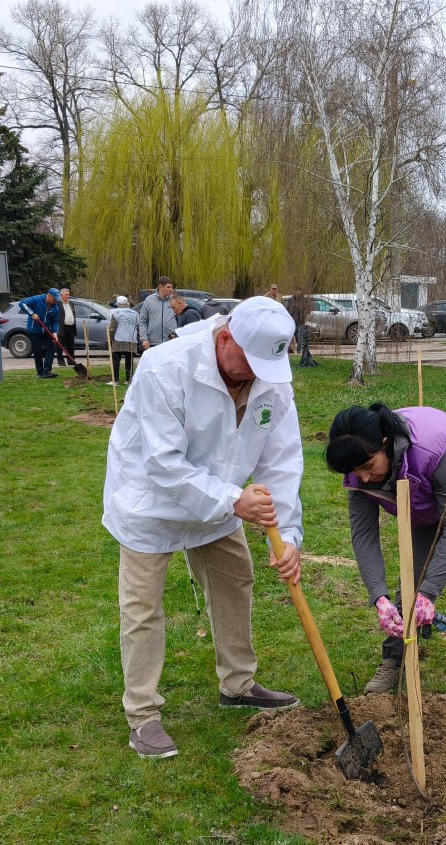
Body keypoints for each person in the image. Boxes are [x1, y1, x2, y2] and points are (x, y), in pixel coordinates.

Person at [102, 297, 304, 759]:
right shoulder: (164, 367)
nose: (251, 375)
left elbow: (282, 464)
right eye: (246, 363)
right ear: (226, 336)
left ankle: (238, 685)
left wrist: (288, 536)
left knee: (236, 580)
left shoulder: (270, 380)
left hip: (220, 505)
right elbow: (163, 464)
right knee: (142, 606)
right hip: (150, 503)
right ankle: (143, 714)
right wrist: (236, 500)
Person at [325, 403, 446, 717]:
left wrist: (429, 593)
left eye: (368, 466)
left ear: (385, 443)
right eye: (356, 472)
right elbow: (364, 537)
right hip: (425, 502)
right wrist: (379, 597)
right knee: (411, 575)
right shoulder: (358, 473)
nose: (364, 478)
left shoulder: (428, 447)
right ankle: (393, 659)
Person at [17, 287, 61, 379]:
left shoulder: (56, 308)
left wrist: (55, 333)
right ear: (49, 296)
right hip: (34, 330)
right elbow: (22, 304)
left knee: (51, 349)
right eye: (54, 299)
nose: (55, 301)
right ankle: (40, 373)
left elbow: (55, 322)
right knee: (37, 351)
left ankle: (47, 371)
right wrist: (32, 313)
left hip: (46, 330)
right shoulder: (37, 299)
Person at [108, 295, 139, 385]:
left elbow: (112, 328)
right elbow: (137, 325)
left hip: (119, 339)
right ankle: (128, 379)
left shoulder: (116, 313)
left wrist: (109, 339)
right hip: (131, 340)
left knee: (116, 360)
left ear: (118, 303)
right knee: (129, 361)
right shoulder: (135, 313)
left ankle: (115, 380)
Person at [138, 277, 176, 349]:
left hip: (171, 342)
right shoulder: (149, 300)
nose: (171, 289)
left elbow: (180, 319)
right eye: (168, 287)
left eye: (172, 287)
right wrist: (144, 339)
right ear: (160, 287)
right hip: (153, 343)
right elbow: (142, 320)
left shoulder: (174, 300)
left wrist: (176, 335)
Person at [289, 289, 318, 367]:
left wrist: (303, 316)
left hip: (301, 322)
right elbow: (288, 310)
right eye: (295, 291)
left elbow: (308, 309)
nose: (296, 292)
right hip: (292, 322)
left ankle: (302, 352)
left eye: (298, 291)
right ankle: (295, 351)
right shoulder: (290, 300)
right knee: (294, 336)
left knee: (300, 336)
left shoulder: (304, 300)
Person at [56, 288, 76, 367]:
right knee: (60, 345)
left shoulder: (71, 303)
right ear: (61, 295)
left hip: (71, 327)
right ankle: (60, 360)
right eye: (66, 295)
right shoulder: (58, 304)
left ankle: (71, 360)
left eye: (68, 294)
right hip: (62, 327)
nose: (68, 296)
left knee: (71, 345)